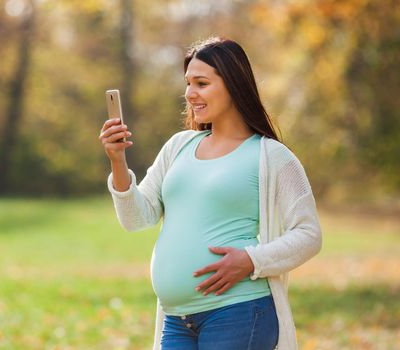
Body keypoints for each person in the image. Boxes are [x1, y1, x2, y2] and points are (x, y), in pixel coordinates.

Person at [99, 37, 322, 350]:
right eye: (188, 83)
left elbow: (309, 234)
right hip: (177, 320)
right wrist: (117, 160)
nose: (190, 94)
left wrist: (251, 259)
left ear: (233, 84)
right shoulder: (179, 146)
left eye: (201, 83)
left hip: (239, 312)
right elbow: (137, 218)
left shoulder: (270, 156)